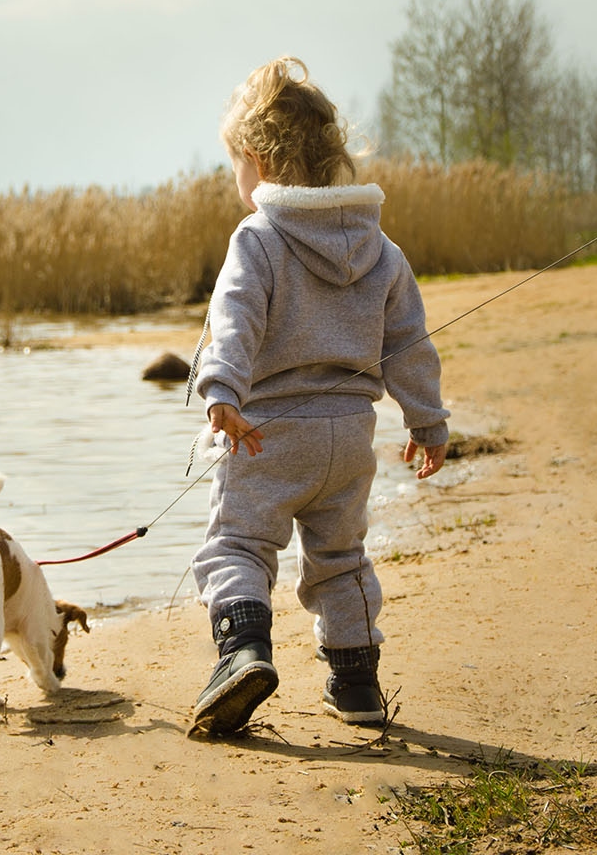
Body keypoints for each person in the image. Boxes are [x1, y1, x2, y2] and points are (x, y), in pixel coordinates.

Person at [188, 56, 449, 737]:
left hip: (268, 432)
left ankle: (243, 650)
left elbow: (235, 317)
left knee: (238, 545)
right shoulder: (380, 247)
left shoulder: (260, 237)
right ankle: (357, 681)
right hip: (349, 438)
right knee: (340, 557)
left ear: (255, 160)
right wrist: (427, 420)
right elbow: (410, 342)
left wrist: (221, 391)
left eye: (235, 166)